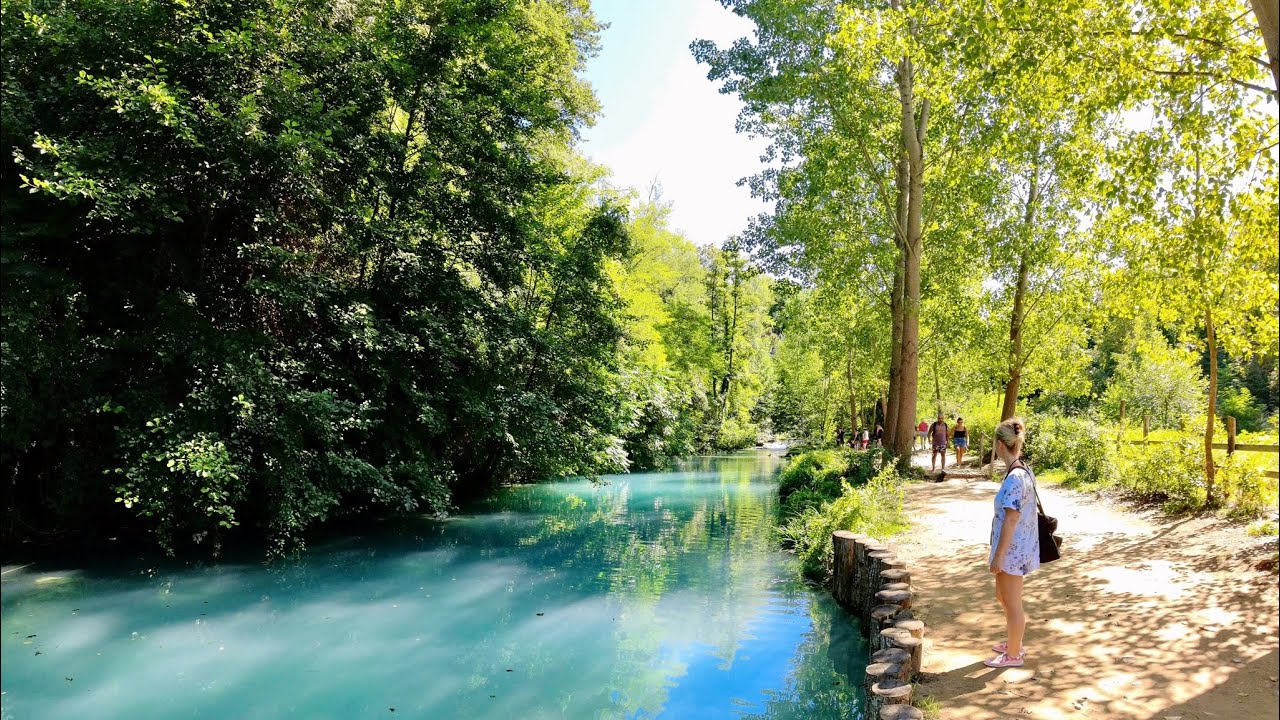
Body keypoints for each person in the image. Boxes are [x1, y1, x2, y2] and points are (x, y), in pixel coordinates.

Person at [987, 416, 1040, 668]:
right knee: (1002, 595)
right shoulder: (1022, 469)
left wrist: (998, 555)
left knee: (1012, 601)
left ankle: (1014, 654)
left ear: (1000, 445)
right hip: (1017, 547)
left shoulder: (1014, 478)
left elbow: (1011, 519)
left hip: (1012, 550)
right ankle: (1013, 640)